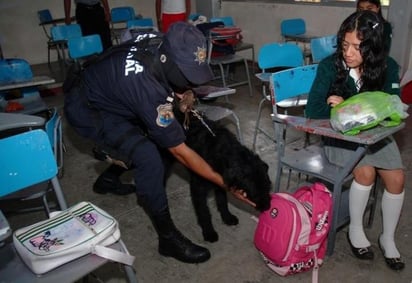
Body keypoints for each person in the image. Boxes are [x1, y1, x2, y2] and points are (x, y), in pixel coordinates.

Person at [64, 22, 253, 264]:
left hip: (110, 91)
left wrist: (183, 91)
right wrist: (227, 184)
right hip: (89, 109)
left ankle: (108, 179)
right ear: (166, 60)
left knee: (154, 140)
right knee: (151, 156)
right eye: (186, 76)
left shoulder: (160, 41)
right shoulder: (147, 89)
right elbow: (180, 151)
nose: (190, 83)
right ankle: (168, 239)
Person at [306, 11, 405, 271]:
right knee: (365, 172)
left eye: (357, 47)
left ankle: (388, 238)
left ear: (373, 49)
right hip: (339, 137)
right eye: (344, 45)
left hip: (376, 136)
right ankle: (356, 230)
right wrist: (348, 113)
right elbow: (313, 109)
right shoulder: (330, 65)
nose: (348, 53)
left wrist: (348, 107)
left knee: (397, 179)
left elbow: (393, 113)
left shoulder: (389, 67)